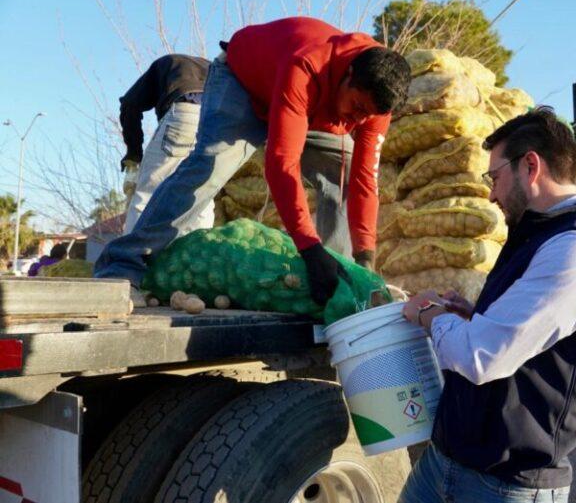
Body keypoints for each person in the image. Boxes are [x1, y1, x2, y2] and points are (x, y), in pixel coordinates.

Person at [94, 17, 410, 307]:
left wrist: (365, 257)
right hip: (243, 85)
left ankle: (335, 284)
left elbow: (365, 181)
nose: (359, 120)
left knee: (344, 170)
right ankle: (123, 263)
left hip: (312, 112)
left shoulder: (375, 102)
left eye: (367, 115)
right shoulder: (308, 64)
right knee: (209, 168)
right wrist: (308, 249)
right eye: (356, 107)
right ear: (349, 74)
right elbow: (282, 164)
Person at [399, 107, 576, 503]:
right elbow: (525, 334)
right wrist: (471, 315)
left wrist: (426, 314)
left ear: (530, 166)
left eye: (494, 177)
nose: (490, 193)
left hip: (505, 485)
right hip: (447, 461)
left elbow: (482, 356)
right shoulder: (536, 235)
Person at [119, 54, 212, 234]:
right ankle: (199, 258)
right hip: (216, 120)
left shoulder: (166, 63)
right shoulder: (216, 68)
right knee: (202, 197)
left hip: (184, 113)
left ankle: (127, 260)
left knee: (148, 194)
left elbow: (129, 105)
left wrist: (134, 153)